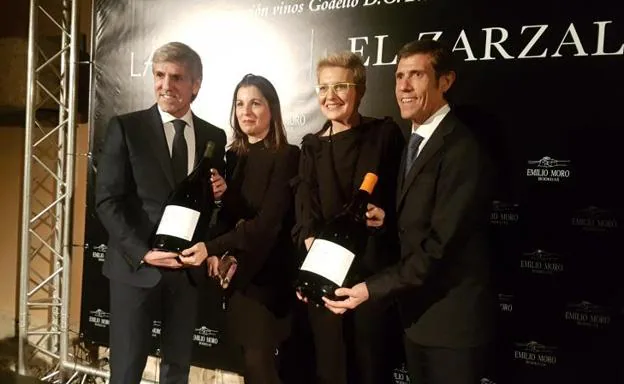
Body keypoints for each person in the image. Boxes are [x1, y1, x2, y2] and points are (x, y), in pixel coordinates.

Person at [324, 39, 496, 384]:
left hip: (452, 329)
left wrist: (369, 289)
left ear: (444, 81)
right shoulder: (414, 139)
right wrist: (388, 221)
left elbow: (439, 247)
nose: (403, 86)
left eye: (416, 75)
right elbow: (421, 220)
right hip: (416, 321)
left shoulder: (461, 148)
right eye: (399, 76)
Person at [95, 41, 227, 384]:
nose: (166, 85)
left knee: (177, 371)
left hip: (186, 275)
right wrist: (144, 253)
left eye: (177, 77)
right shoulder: (126, 127)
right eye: (159, 75)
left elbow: (213, 208)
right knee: (125, 370)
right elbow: (107, 201)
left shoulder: (215, 136)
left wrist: (220, 197)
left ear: (195, 84)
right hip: (135, 269)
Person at [293, 51, 404, 384]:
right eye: (323, 88)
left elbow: (407, 200)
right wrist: (314, 263)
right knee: (331, 369)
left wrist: (386, 218)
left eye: (341, 86)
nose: (331, 96)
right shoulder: (310, 146)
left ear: (360, 89)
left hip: (371, 279)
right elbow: (306, 217)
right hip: (327, 280)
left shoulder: (384, 134)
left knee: (370, 369)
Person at [204, 74, 300, 384]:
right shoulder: (231, 157)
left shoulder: (288, 156)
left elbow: (268, 223)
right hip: (237, 277)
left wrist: (215, 247)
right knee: (248, 363)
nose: (246, 111)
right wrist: (217, 252)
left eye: (255, 103)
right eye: (240, 104)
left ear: (272, 108)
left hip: (268, 276)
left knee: (262, 365)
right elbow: (229, 215)